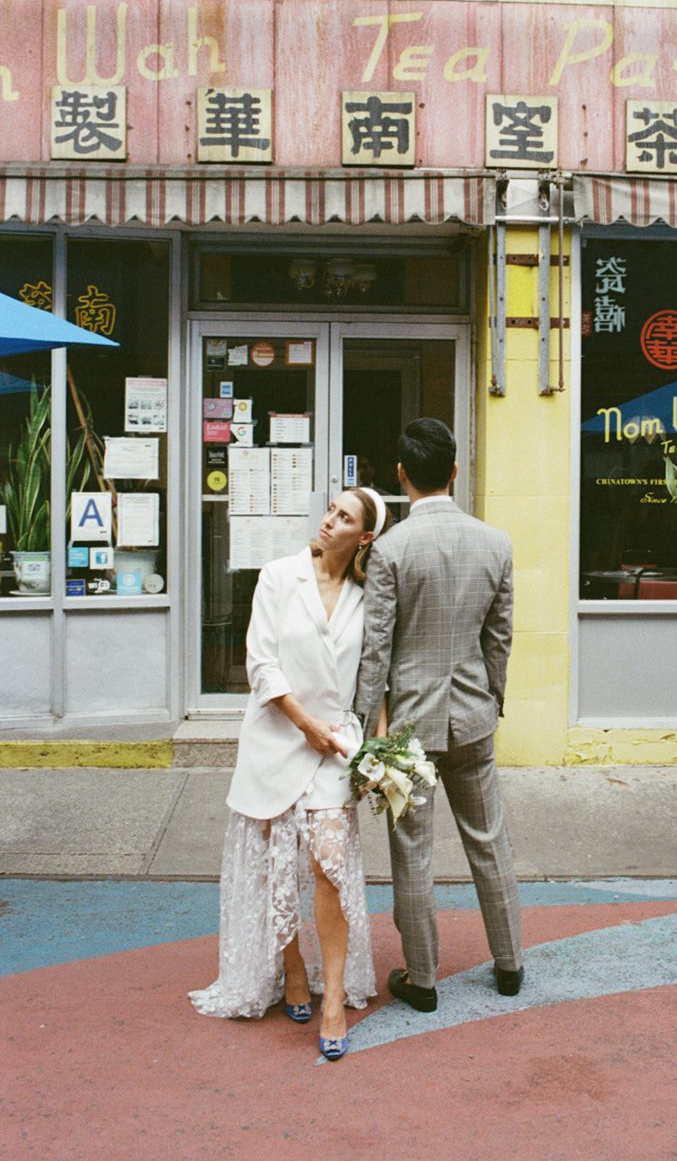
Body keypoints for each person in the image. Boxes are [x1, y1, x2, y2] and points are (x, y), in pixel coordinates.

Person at [189, 487, 389, 1061]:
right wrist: (304, 725)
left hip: (336, 746)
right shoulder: (279, 576)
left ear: (365, 537)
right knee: (276, 865)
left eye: (345, 517)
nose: (330, 521)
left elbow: (376, 678)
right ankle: (292, 966)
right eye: (331, 510)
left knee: (329, 864)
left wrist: (378, 747)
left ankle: (333, 1001)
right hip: (279, 734)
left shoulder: (368, 596)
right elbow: (261, 663)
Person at [354, 418, 523, 1011]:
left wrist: (363, 730)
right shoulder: (495, 543)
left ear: (401, 475)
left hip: (410, 727)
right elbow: (499, 637)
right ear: (454, 469)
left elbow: (376, 650)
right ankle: (510, 963)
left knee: (413, 852)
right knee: (489, 841)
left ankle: (423, 978)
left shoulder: (391, 549)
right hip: (473, 714)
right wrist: (493, 698)